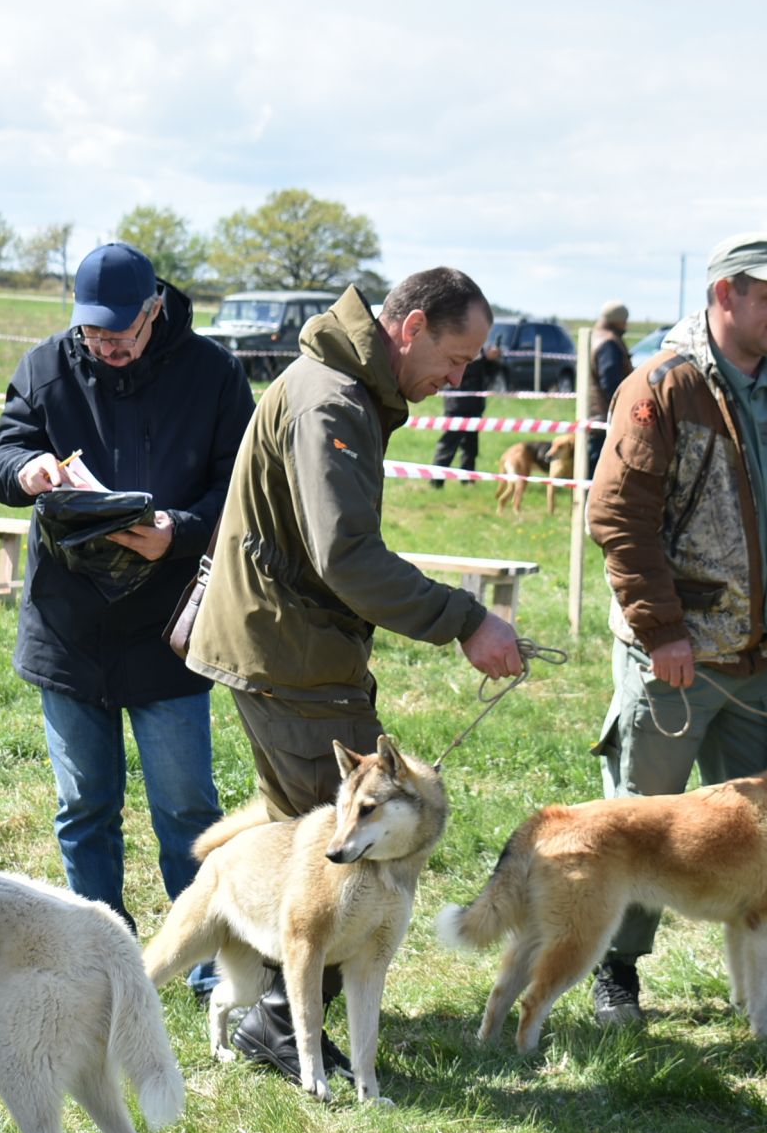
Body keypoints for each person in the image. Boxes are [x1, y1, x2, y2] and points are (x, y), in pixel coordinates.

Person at [185, 268, 526, 1082]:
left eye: (473, 362)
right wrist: (467, 619)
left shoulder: (338, 386)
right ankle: (278, 1025)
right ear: (407, 328)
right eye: (455, 355)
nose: (460, 377)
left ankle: (266, 1010)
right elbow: (347, 557)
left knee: (307, 833)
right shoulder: (332, 399)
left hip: (291, 647)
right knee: (339, 850)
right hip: (293, 656)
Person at [586, 232, 767, 1026]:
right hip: (676, 659)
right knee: (643, 816)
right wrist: (663, 629)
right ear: (725, 294)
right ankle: (615, 969)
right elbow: (617, 516)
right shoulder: (663, 387)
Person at [0, 242, 253, 982]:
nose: (106, 347)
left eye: (120, 333)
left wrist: (178, 532)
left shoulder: (215, 375)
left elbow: (241, 487)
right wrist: (25, 469)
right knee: (83, 807)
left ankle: (203, 966)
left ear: (154, 310)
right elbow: (1, 456)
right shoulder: (46, 368)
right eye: (94, 334)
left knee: (187, 813)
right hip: (68, 627)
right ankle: (96, 955)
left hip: (167, 631)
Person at [430, 340, 501, 487]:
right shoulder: (458, 344)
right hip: (457, 403)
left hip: (474, 405)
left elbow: (489, 373)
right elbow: (462, 370)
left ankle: (468, 480)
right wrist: (484, 357)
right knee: (449, 444)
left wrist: (493, 360)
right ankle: (436, 481)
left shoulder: (479, 349)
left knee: (471, 446)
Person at [586, 300, 633, 470]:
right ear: (618, 320)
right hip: (605, 415)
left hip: (596, 414)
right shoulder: (609, 343)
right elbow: (611, 383)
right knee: (601, 470)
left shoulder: (595, 336)